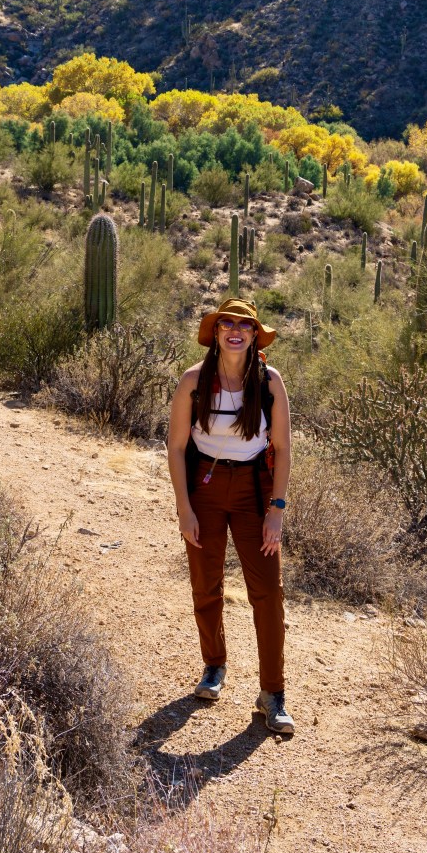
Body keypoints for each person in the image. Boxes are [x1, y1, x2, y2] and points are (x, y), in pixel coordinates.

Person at [166, 297, 294, 735]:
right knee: (206, 581)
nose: (235, 330)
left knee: (267, 592)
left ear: (255, 334)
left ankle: (272, 693)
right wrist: (184, 508)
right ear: (216, 333)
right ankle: (213, 666)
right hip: (203, 486)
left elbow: (282, 448)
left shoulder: (270, 382)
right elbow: (177, 447)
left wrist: (276, 510)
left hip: (254, 490)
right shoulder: (194, 381)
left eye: (245, 324)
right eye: (227, 324)